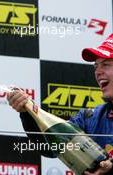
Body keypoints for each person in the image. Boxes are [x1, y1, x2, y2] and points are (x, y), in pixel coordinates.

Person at [7, 34, 113, 175]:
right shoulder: (90, 117)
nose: (98, 72)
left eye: (105, 65)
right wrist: (28, 112)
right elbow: (49, 147)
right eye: (95, 67)